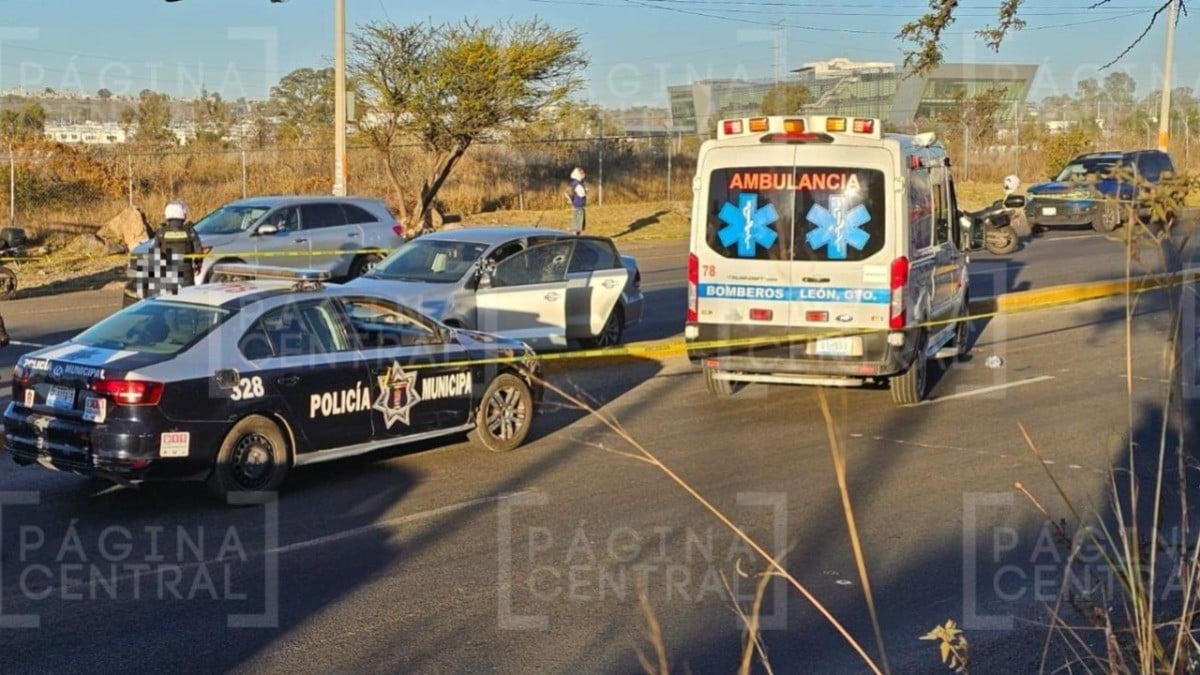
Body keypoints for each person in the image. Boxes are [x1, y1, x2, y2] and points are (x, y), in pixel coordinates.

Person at [151, 200, 203, 291]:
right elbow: (198, 251)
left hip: (168, 270)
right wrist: (198, 264)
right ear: (182, 214)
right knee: (188, 295)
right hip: (186, 270)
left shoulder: (161, 232)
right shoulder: (190, 231)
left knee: (170, 298)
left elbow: (155, 251)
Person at [565, 166, 587, 235]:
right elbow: (581, 194)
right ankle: (575, 237)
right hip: (578, 206)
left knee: (578, 224)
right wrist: (585, 191)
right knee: (577, 225)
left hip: (577, 205)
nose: (583, 174)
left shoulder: (576, 183)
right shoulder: (577, 184)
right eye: (581, 173)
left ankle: (576, 235)